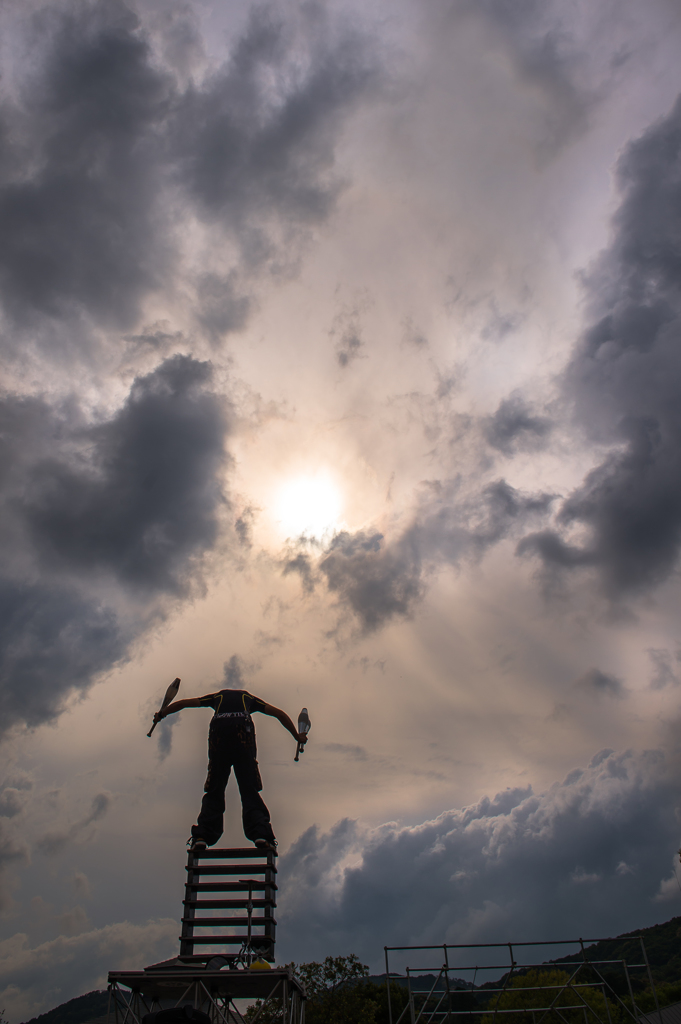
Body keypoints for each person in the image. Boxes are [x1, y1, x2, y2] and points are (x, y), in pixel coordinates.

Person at [153, 688, 307, 851]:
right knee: (249, 789)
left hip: (218, 736)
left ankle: (202, 836)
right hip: (243, 736)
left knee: (214, 789)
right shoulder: (249, 698)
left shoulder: (216, 697)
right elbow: (279, 714)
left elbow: (184, 703)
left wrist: (162, 713)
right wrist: (297, 736)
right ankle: (261, 834)